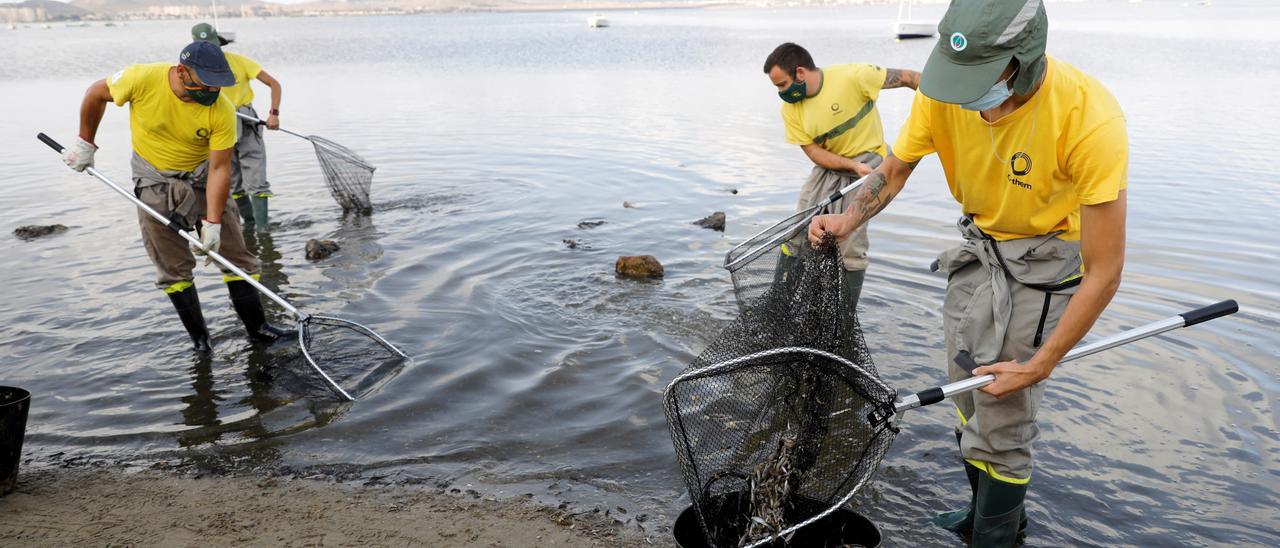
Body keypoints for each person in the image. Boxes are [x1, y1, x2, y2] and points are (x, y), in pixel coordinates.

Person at [807, 1, 1127, 546]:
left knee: (1003, 409)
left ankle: (995, 535)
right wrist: (846, 219)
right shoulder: (942, 92)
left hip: (1045, 260)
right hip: (978, 251)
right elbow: (894, 170)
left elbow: (1105, 269)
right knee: (966, 391)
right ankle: (987, 511)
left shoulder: (1088, 117)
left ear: (1021, 62)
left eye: (978, 78)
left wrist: (1040, 366)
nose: (961, 94)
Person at [62, 40, 293, 354]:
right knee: (172, 266)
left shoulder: (221, 109)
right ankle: (201, 342)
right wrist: (85, 143)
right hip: (153, 181)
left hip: (201, 178)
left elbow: (220, 169)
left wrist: (212, 223)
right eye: (205, 84)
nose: (211, 92)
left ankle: (258, 329)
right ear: (183, 72)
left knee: (237, 256)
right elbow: (94, 93)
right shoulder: (141, 79)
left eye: (218, 86)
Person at [763, 42, 919, 309]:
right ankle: (779, 308)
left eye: (781, 84)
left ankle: (842, 324)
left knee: (849, 244)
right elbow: (812, 151)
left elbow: (910, 78)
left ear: (800, 73)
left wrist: (943, 109)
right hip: (829, 168)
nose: (780, 93)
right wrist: (849, 165)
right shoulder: (790, 109)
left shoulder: (854, 76)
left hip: (869, 166)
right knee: (797, 232)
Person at [192, 22, 283, 233]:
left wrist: (274, 113)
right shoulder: (194, 71)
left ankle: (263, 230)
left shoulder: (239, 62)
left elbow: (274, 84)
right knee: (231, 180)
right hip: (217, 125)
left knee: (256, 179)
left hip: (246, 121)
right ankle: (249, 225)